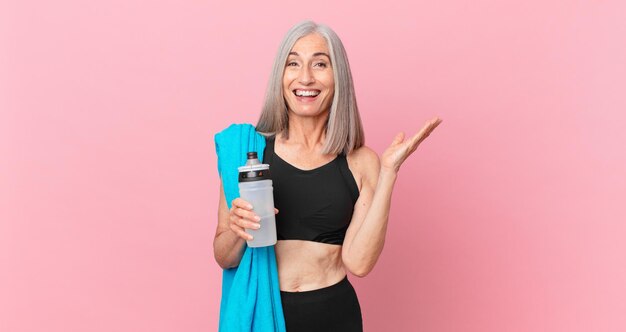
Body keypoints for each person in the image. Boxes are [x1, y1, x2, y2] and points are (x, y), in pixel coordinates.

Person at [213, 20, 442, 331]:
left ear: (338, 78)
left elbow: (359, 263)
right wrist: (239, 231)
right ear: (281, 75)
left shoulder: (361, 162)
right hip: (264, 313)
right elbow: (224, 257)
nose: (305, 77)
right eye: (293, 63)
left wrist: (389, 173)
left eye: (320, 64)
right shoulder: (248, 153)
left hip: (334, 316)